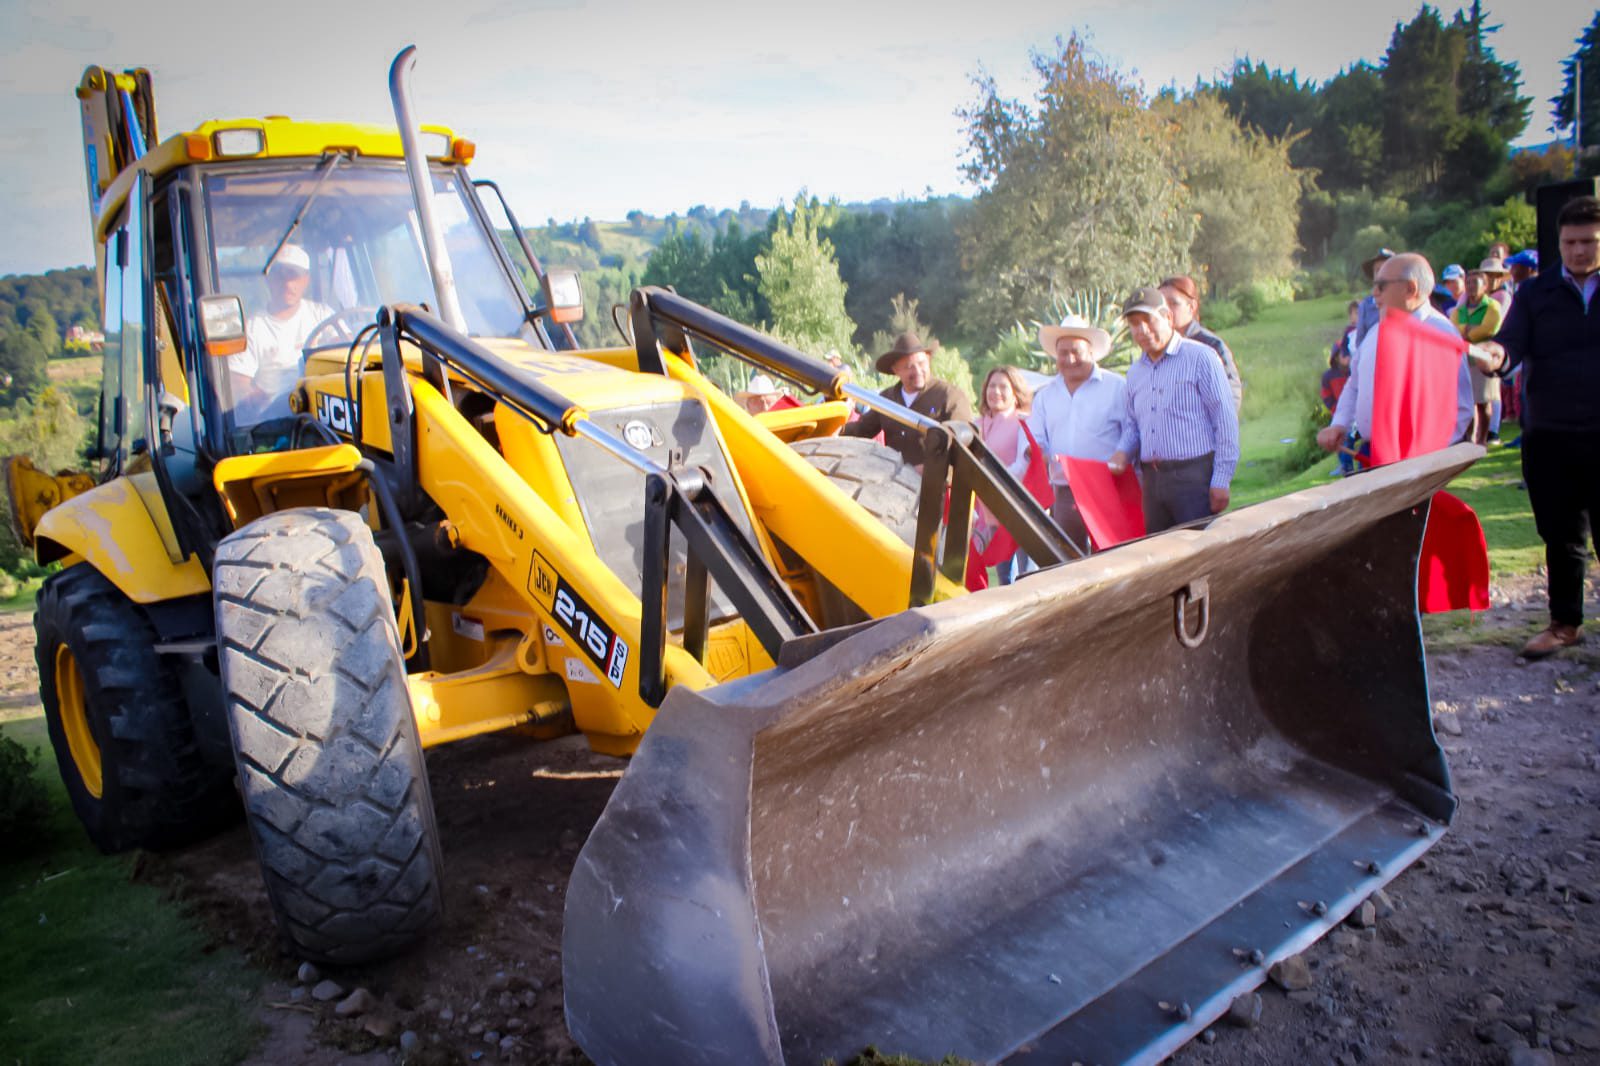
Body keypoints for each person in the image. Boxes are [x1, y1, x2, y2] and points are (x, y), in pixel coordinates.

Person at [1479, 196, 1600, 659]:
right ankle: (1565, 625)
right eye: (1570, 242)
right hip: (1550, 436)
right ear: (1559, 242)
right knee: (1562, 535)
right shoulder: (1535, 294)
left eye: (1588, 242)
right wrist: (1494, 356)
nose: (1579, 251)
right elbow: (1509, 345)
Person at [1316, 253, 1472, 463]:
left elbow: (1460, 408)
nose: (1374, 294)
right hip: (1375, 454)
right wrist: (1339, 424)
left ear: (1410, 288)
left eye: (1382, 286)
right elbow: (1354, 385)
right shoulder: (1374, 334)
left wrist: (1426, 460)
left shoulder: (1440, 335)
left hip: (1418, 462)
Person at [1107, 287, 1238, 533]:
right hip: (1153, 481)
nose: (1142, 330)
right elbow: (1134, 425)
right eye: (1134, 324)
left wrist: (1222, 478)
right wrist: (1121, 453)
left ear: (1167, 318)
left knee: (1200, 552)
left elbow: (1224, 419)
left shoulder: (1201, 358)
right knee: (1160, 555)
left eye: (1148, 320)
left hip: (1193, 476)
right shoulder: (1135, 373)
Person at [1026, 314, 1126, 550]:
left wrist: (1122, 456)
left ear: (1090, 352)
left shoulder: (1116, 387)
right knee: (1068, 558)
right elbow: (1037, 438)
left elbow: (1131, 430)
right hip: (1065, 491)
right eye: (1063, 353)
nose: (1069, 359)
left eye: (1076, 351)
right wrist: (1038, 452)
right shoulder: (1045, 396)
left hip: (1108, 487)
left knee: (1112, 554)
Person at [842, 331, 972, 468]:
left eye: (921, 363)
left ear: (928, 360)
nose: (917, 371)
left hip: (933, 486)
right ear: (896, 370)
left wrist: (931, 469)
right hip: (892, 484)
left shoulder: (951, 396)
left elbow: (966, 441)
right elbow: (861, 430)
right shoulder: (886, 399)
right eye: (909, 366)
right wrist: (836, 430)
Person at [233, 244, 332, 421]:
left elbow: (346, 346)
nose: (287, 284)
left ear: (306, 280)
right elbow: (238, 379)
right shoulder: (253, 328)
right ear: (269, 279)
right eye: (280, 275)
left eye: (294, 276)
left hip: (324, 409)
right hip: (277, 418)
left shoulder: (323, 316)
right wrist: (251, 395)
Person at [973, 365, 1036, 582]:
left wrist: (995, 482)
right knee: (1003, 577)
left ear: (1015, 393)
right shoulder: (976, 424)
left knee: (1028, 574)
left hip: (1021, 508)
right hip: (991, 511)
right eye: (992, 386)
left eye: (1003, 387)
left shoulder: (1025, 422)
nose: (995, 392)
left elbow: (1024, 463)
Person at [1160, 275, 1242, 410]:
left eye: (1173, 303)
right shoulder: (1156, 349)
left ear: (1191, 307)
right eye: (1162, 305)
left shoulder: (1210, 345)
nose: (1166, 311)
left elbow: (1231, 395)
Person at [1454, 268, 1504, 445]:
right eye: (1468, 283)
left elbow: (1489, 327)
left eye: (1475, 283)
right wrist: (1465, 330)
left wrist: (1468, 332)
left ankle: (1482, 439)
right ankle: (1467, 439)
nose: (1470, 286)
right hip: (1465, 359)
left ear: (1485, 286)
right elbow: (1453, 327)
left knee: (1484, 401)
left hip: (1484, 359)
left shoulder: (1492, 306)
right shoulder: (1460, 309)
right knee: (1467, 402)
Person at [1353, 248, 1395, 347]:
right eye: (1378, 271)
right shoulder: (1366, 305)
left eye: (1387, 269)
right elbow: (1360, 341)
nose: (1382, 275)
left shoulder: (1405, 301)